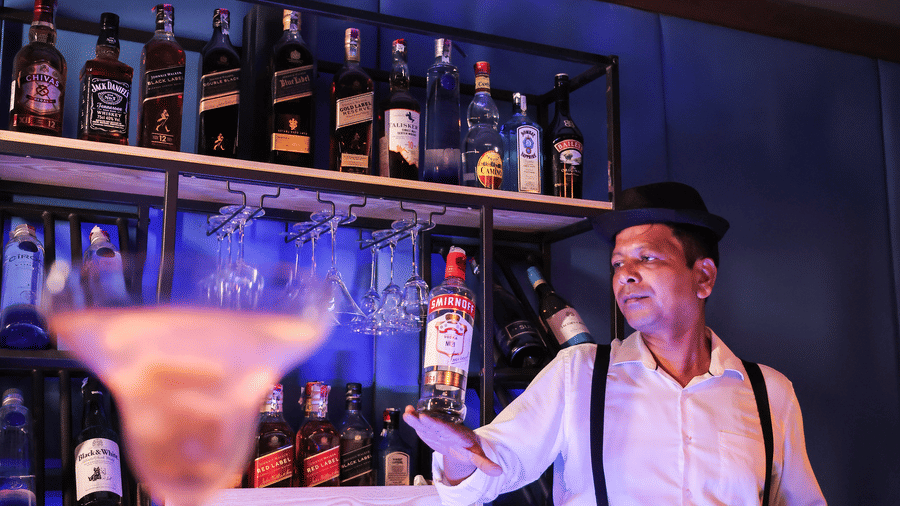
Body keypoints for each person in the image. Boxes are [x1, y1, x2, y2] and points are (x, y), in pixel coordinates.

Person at [404, 181, 826, 505]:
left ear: (704, 277)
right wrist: (456, 453)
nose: (625, 275)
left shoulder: (769, 393)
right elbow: (491, 468)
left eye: (647, 258)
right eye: (618, 264)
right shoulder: (579, 373)